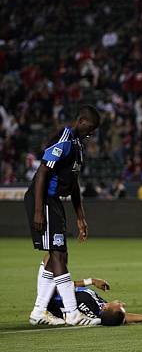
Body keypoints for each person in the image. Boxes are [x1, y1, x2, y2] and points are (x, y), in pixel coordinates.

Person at [25, 105, 102, 326]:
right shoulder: (65, 140)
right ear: (82, 121)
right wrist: (39, 210)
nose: (92, 133)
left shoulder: (77, 146)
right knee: (57, 254)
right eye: (91, 128)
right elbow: (42, 172)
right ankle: (71, 313)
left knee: (60, 255)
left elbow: (74, 183)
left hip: (54, 202)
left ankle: (39, 312)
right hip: (44, 200)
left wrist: (80, 216)